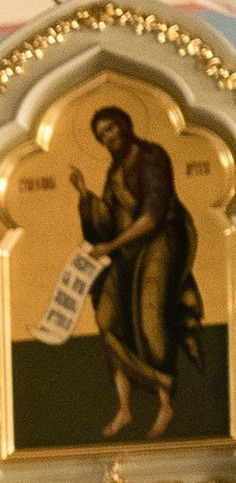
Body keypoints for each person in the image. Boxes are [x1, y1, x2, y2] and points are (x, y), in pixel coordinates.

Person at [71, 101, 202, 439]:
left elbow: (152, 215)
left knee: (149, 318)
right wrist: (85, 196)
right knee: (108, 317)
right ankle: (125, 409)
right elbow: (105, 225)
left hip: (160, 243)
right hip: (126, 252)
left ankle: (165, 403)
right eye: (101, 135)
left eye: (110, 129)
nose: (107, 138)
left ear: (125, 125)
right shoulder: (114, 173)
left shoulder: (151, 157)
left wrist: (111, 247)